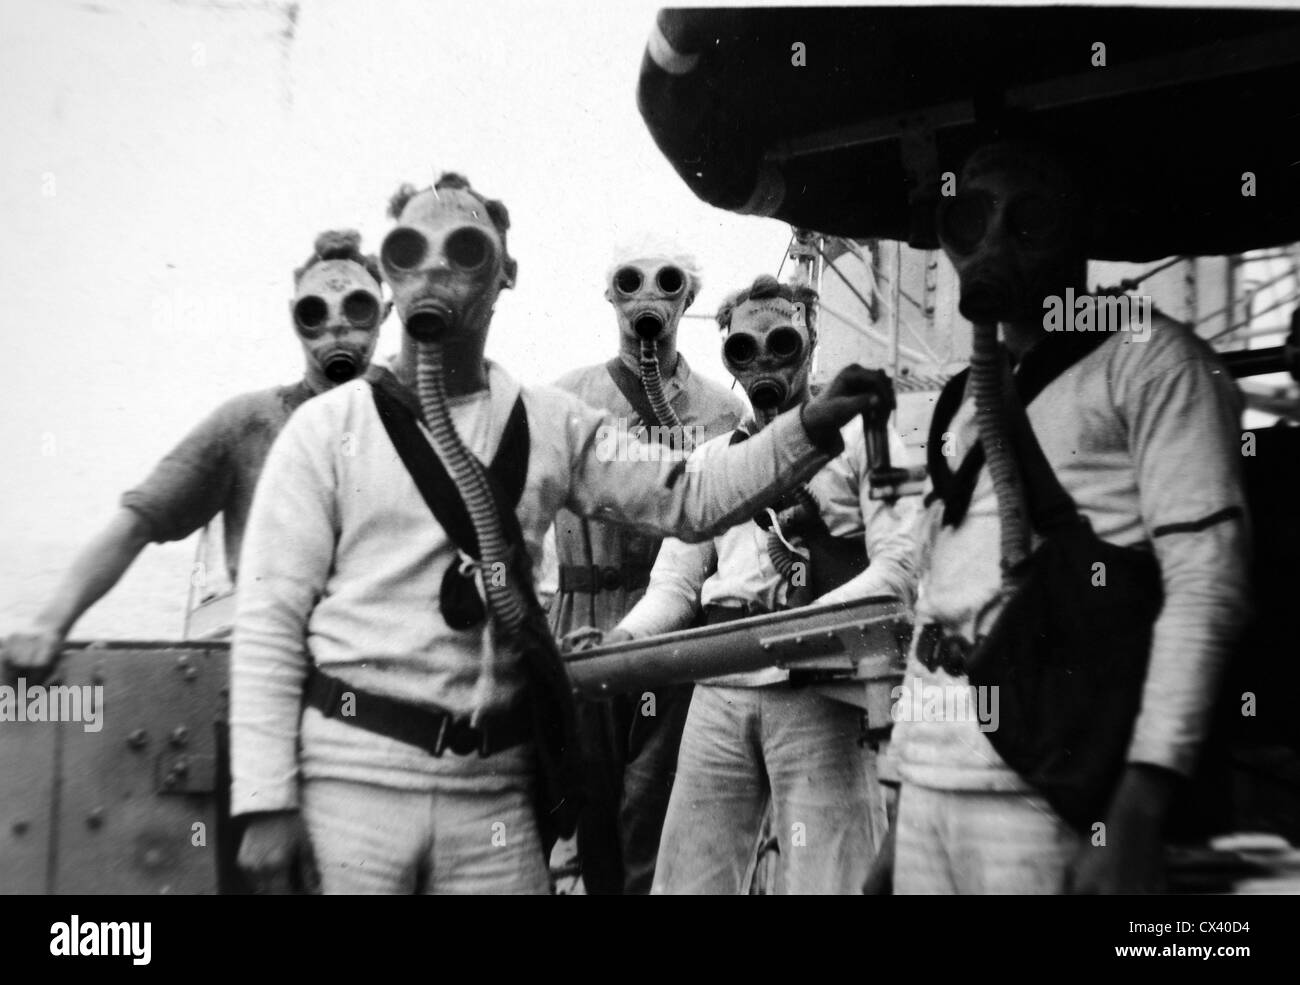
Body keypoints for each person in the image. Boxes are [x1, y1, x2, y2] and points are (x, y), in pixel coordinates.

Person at [230, 172, 889, 895]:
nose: (438, 268)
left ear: (503, 273)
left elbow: (690, 494)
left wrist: (808, 428)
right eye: (412, 248)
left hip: (492, 789)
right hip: (355, 780)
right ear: (391, 271)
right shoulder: (327, 430)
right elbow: (269, 617)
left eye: (467, 249)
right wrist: (264, 801)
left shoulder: (545, 421)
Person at [873, 139, 1251, 894]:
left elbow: (1207, 583)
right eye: (971, 219)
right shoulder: (964, 397)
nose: (993, 247)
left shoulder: (1151, 361)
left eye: (1028, 220)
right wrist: (902, 798)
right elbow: (936, 598)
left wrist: (1140, 804)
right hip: (934, 783)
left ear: (1077, 230)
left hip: (1049, 786)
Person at [598, 274, 918, 893]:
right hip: (722, 688)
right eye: (743, 347)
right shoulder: (719, 460)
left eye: (782, 341)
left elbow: (900, 566)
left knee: (833, 876)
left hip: (822, 688)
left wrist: (804, 630)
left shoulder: (868, 438)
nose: (763, 358)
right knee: (689, 877)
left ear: (811, 339)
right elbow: (676, 585)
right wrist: (620, 642)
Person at [1, 230, 386, 682]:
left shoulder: (421, 421)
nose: (338, 325)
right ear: (292, 317)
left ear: (385, 313)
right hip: (278, 673)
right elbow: (136, 523)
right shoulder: (248, 423)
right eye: (314, 312)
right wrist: (50, 624)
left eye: (359, 309)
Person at [549, 238, 747, 895]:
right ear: (610, 296)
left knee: (652, 802)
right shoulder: (566, 398)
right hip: (585, 613)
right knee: (587, 793)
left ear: (687, 300)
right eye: (630, 283)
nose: (647, 300)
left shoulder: (722, 409)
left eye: (667, 284)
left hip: (675, 622)